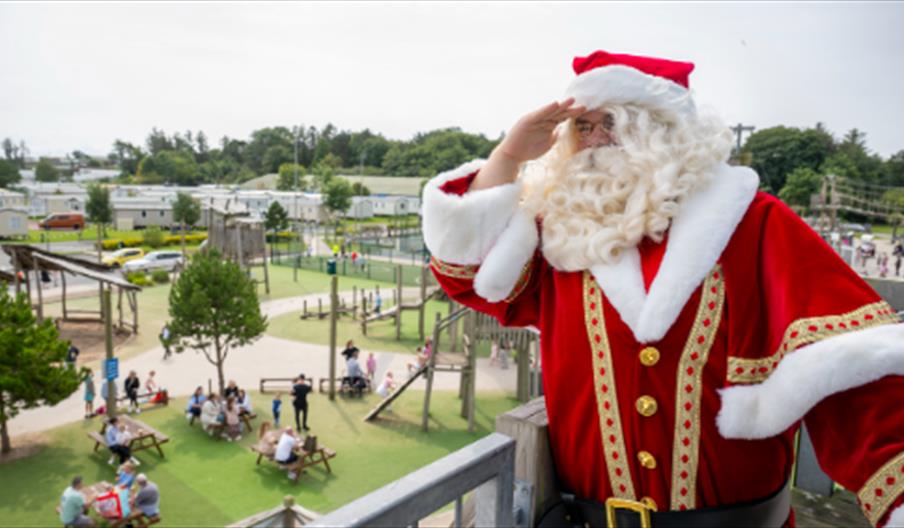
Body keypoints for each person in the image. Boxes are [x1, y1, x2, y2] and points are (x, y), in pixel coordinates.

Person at [423, 50, 904, 526]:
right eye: (582, 127)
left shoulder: (754, 223)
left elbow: (858, 373)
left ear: (663, 130)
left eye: (611, 122)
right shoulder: (561, 233)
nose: (593, 140)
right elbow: (467, 275)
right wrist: (508, 156)